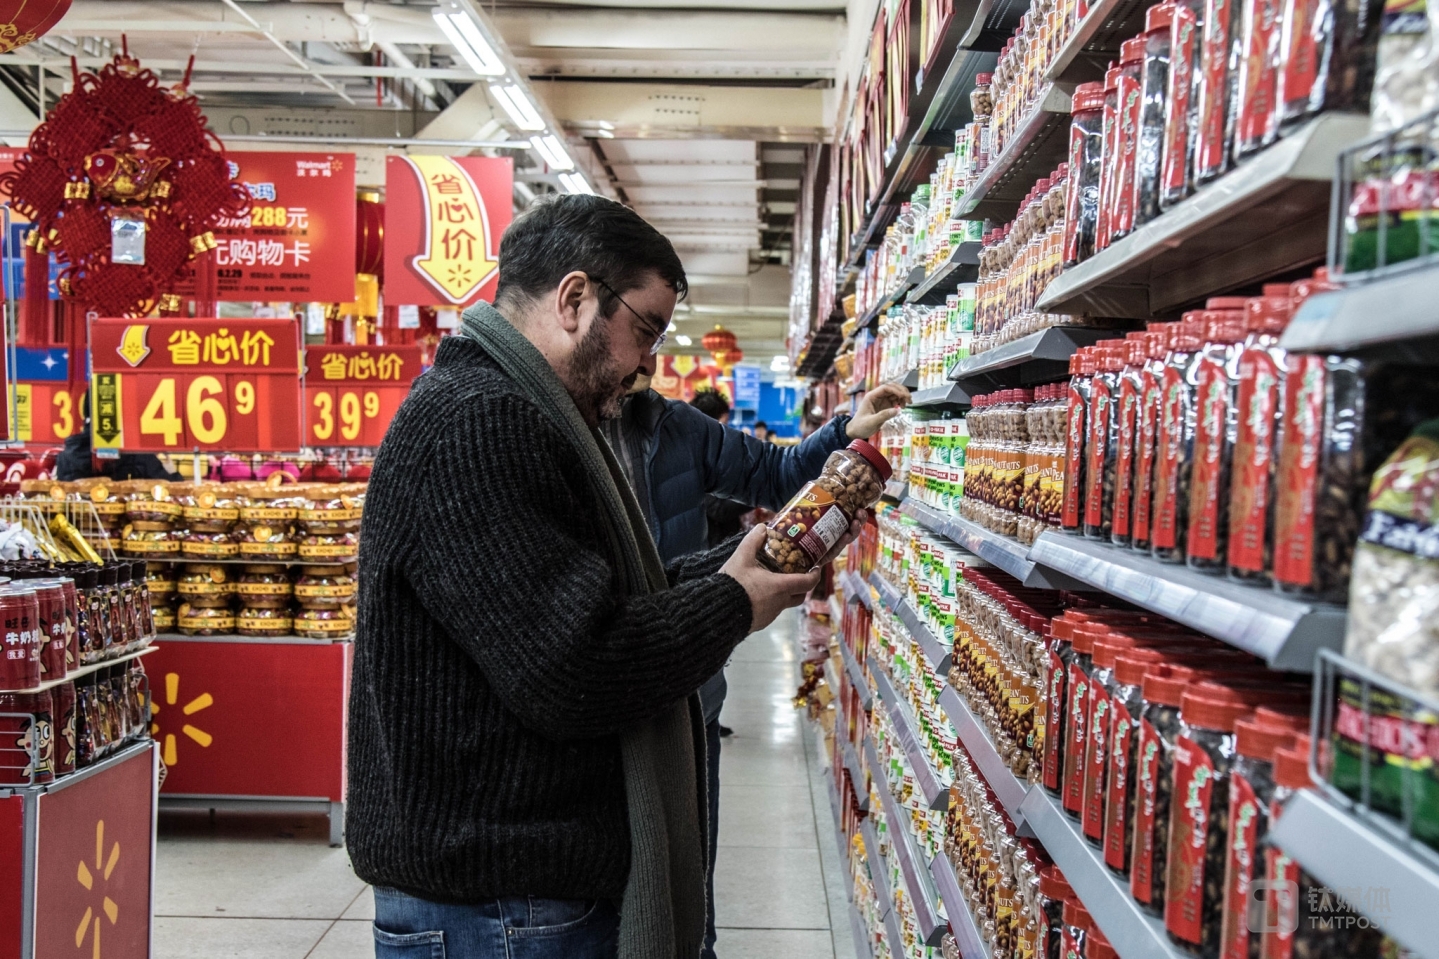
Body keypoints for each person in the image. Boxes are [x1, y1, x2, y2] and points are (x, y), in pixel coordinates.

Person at [347, 193, 865, 959]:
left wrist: (722, 567)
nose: (649, 362)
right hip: (501, 910)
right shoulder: (482, 421)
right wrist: (729, 603)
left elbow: (580, 592)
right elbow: (573, 666)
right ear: (574, 299)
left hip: (506, 894)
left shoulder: (502, 406)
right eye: (646, 328)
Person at [601, 375, 908, 959]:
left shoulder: (675, 425)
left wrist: (847, 432)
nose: (650, 353)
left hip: (688, 675)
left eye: (660, 334)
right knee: (611, 872)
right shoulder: (547, 425)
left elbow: (772, 471)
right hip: (603, 680)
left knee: (689, 863)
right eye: (643, 328)